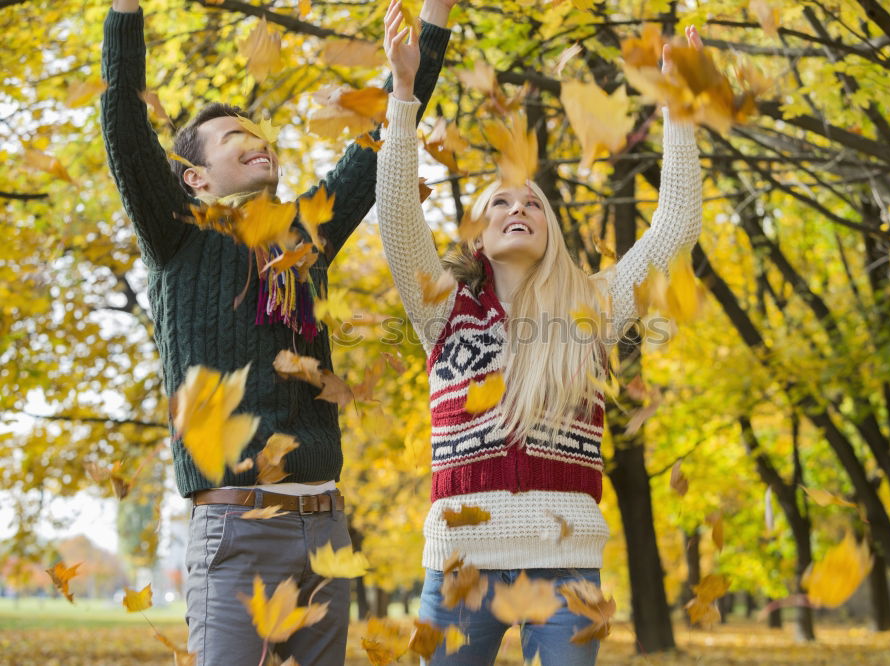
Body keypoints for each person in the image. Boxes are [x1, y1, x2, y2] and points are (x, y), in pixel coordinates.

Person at [100, 0, 457, 663]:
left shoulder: (304, 235)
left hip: (324, 529)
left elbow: (377, 143)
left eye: (261, 132)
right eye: (236, 133)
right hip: (238, 529)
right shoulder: (177, 236)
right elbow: (123, 122)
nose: (257, 138)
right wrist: (125, 11)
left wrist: (420, 48)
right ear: (195, 177)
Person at [376, 20, 704, 666]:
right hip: (460, 569)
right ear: (479, 237)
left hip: (566, 571)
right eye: (500, 204)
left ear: (551, 229)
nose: (517, 209)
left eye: (532, 203)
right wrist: (403, 91)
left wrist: (678, 112)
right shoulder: (444, 309)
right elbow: (395, 213)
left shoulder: (594, 309)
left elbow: (677, 229)